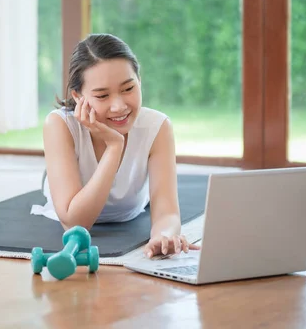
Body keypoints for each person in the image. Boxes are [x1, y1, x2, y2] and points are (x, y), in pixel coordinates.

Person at [30, 33, 200, 258]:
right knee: (60, 182)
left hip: (132, 208)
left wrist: (165, 235)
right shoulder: (59, 124)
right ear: (78, 96)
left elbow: (167, 212)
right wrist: (114, 146)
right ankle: (52, 176)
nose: (119, 106)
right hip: (70, 199)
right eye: (102, 96)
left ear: (139, 81)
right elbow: (75, 222)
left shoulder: (158, 126)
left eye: (128, 89)